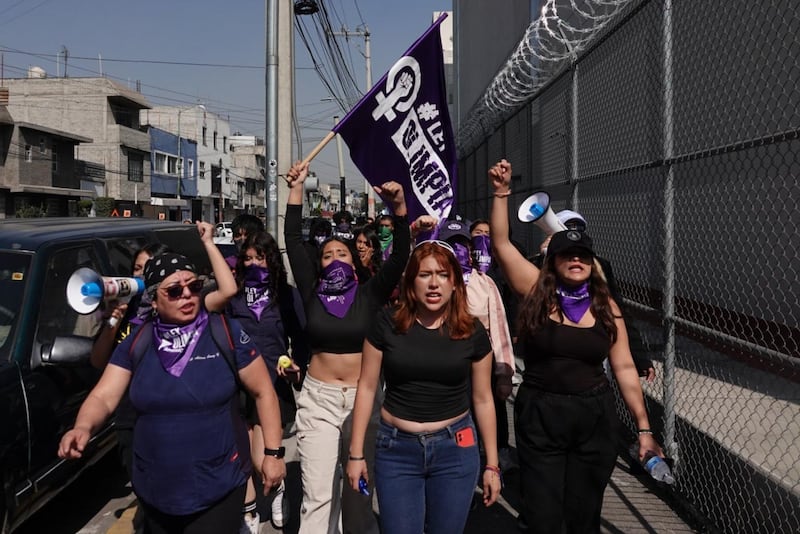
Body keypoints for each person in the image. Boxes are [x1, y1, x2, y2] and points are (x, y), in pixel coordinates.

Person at [59, 222, 287, 534]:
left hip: (218, 487)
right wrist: (82, 427)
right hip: (156, 492)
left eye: (194, 287)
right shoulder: (137, 341)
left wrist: (273, 454)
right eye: (175, 291)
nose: (188, 296)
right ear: (154, 299)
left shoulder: (225, 332)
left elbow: (264, 392)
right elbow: (103, 396)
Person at [488, 159, 665, 533]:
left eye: (582, 255)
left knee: (584, 519)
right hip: (541, 415)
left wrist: (644, 429)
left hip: (593, 420)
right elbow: (501, 244)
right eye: (567, 255)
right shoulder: (538, 291)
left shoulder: (606, 306)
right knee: (544, 518)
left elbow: (624, 368)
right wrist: (501, 193)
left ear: (591, 262)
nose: (575, 260)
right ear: (552, 261)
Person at [284, 161, 410, 534]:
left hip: (364, 402)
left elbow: (401, 255)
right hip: (318, 402)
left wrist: (398, 210)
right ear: (318, 266)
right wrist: (296, 188)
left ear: (355, 265)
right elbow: (292, 240)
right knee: (318, 495)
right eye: (327, 255)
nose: (335, 258)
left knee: (358, 493)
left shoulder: (370, 294)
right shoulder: (311, 292)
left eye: (342, 254)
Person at [346, 240, 501, 534]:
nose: (434, 284)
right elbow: (366, 387)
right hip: (396, 451)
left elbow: (483, 399)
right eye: (424, 274)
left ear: (455, 282)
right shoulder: (386, 323)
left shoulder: (473, 332)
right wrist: (356, 454)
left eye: (442, 274)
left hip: (455, 450)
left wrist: (492, 464)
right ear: (410, 282)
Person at [227, 230, 309, 532]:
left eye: (259, 257)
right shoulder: (232, 294)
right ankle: (248, 513)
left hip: (272, 384)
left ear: (270, 258)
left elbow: (300, 335)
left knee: (264, 460)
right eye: (247, 258)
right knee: (242, 459)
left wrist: (296, 365)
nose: (253, 263)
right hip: (236, 383)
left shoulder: (285, 293)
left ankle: (277, 492)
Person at [89, 242, 171, 534]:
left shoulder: (171, 309)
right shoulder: (121, 309)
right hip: (128, 418)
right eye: (137, 268)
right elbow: (99, 361)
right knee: (144, 489)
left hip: (163, 417)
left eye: (147, 269)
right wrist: (113, 319)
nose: (140, 275)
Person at [530, 210, 656, 382]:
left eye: (579, 229)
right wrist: (545, 258)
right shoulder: (539, 263)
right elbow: (530, 294)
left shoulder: (600, 265)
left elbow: (619, 312)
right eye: (567, 229)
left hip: (591, 357)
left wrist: (639, 356)